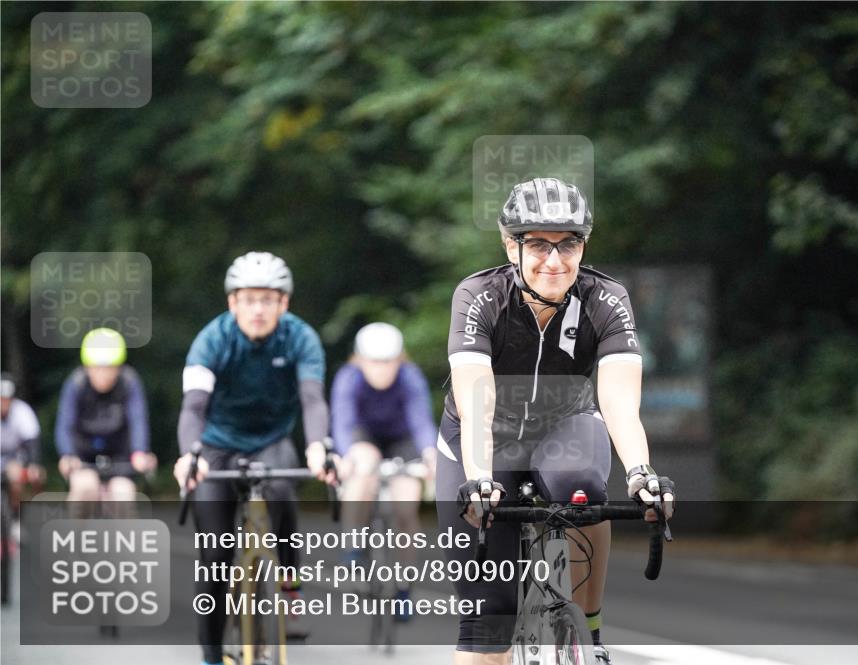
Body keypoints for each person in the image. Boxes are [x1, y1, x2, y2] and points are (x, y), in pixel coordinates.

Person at [436, 178, 676, 664]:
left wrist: (641, 473)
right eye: (539, 244)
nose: (555, 260)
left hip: (564, 427)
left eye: (569, 245)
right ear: (511, 245)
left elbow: (619, 399)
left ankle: (588, 631)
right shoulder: (480, 296)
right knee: (489, 618)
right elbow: (475, 400)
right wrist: (480, 479)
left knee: (585, 489)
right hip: (485, 439)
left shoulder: (605, 299)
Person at [172, 251, 336, 665]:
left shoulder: (301, 338)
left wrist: (318, 445)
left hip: (271, 439)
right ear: (233, 302)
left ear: (284, 303)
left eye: (268, 299)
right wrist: (190, 454)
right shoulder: (212, 339)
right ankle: (211, 657)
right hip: (215, 444)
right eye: (248, 299)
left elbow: (313, 399)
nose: (258, 309)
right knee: (214, 557)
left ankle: (289, 583)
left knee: (281, 490)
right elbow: (192, 406)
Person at [330, 322, 438, 619]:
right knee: (364, 465)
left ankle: (404, 589)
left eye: (388, 362)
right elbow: (343, 421)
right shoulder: (348, 378)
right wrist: (345, 455)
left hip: (402, 440)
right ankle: (353, 547)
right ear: (360, 360)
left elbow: (420, 420)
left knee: (406, 506)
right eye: (374, 363)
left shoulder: (409, 377)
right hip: (364, 436)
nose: (381, 369)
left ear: (399, 359)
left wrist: (430, 453)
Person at [55, 328, 157, 503]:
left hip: (120, 457)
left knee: (123, 495)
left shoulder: (129, 382)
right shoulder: (76, 383)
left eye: (110, 368)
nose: (103, 375)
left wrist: (139, 452)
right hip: (83, 457)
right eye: (97, 368)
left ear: (119, 367)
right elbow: (65, 423)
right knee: (85, 489)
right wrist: (68, 454)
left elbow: (138, 420)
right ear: (87, 367)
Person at [1, 372, 45, 516]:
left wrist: (33, 464)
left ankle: (27, 514)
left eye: (6, 399)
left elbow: (32, 441)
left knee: (33, 475)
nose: (4, 403)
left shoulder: (21, 410)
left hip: (17, 457)